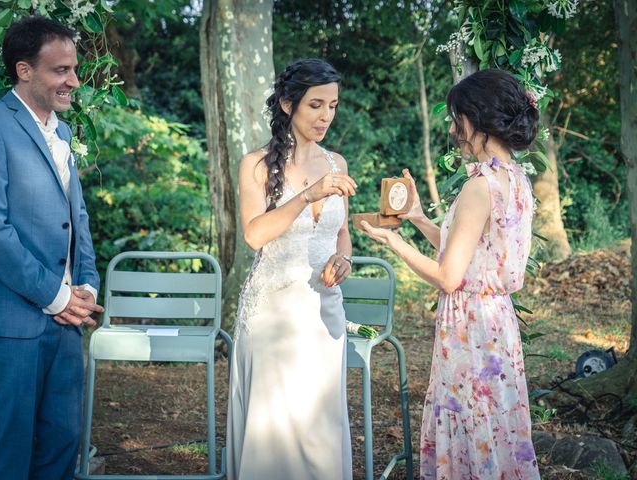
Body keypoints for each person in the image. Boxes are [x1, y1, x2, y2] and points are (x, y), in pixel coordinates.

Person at [362, 69, 541, 479]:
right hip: (497, 322)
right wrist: (421, 220)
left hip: (470, 329)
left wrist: (394, 243)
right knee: (495, 424)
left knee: (470, 421)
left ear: (477, 120)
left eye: (456, 118)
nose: (452, 128)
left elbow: (449, 276)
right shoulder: (516, 179)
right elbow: (474, 254)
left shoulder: (479, 186)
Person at [227, 58, 356, 480]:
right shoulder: (256, 165)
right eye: (316, 105)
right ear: (287, 105)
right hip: (275, 313)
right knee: (276, 426)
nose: (326, 117)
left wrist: (344, 261)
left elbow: (342, 235)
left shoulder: (337, 163)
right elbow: (254, 235)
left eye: (333, 106)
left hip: (324, 312)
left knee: (318, 425)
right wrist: (306, 195)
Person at [0, 16, 104, 480]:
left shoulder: (62, 133)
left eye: (74, 69)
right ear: (24, 70)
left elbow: (76, 218)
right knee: (9, 448)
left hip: (66, 324)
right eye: (61, 70)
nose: (74, 81)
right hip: (14, 322)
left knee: (62, 441)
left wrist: (86, 285)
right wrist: (55, 297)